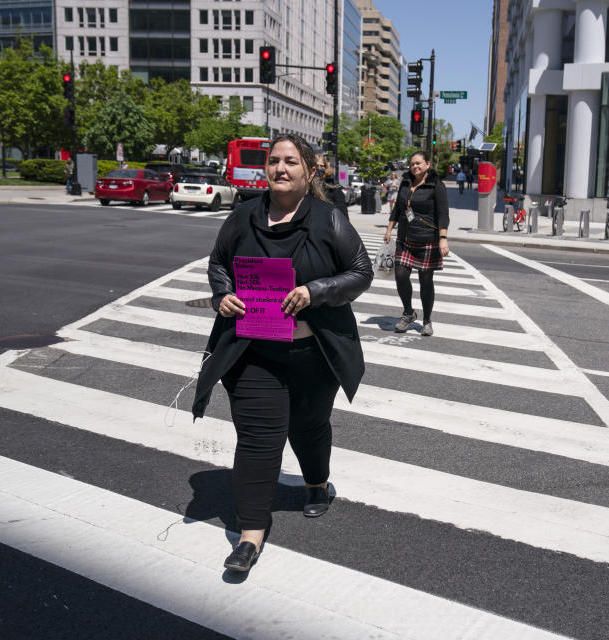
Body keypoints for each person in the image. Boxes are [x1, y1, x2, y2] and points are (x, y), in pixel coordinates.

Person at [192, 133, 373, 572]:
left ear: (309, 171)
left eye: (291, 161)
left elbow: (361, 272)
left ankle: (316, 482)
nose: (280, 168)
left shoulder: (329, 219)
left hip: (313, 353)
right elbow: (218, 262)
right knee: (257, 441)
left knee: (309, 427)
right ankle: (250, 536)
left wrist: (316, 291)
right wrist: (223, 295)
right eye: (274, 161)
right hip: (254, 351)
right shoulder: (243, 216)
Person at [383, 151, 449, 337]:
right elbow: (398, 208)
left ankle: (427, 320)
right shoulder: (405, 183)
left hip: (428, 238)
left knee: (425, 280)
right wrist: (389, 229)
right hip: (405, 237)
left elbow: (443, 213)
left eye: (419, 163)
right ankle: (408, 312)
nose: (415, 167)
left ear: (428, 164)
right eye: (412, 164)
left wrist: (443, 238)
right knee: (400, 275)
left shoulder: (436, 185)